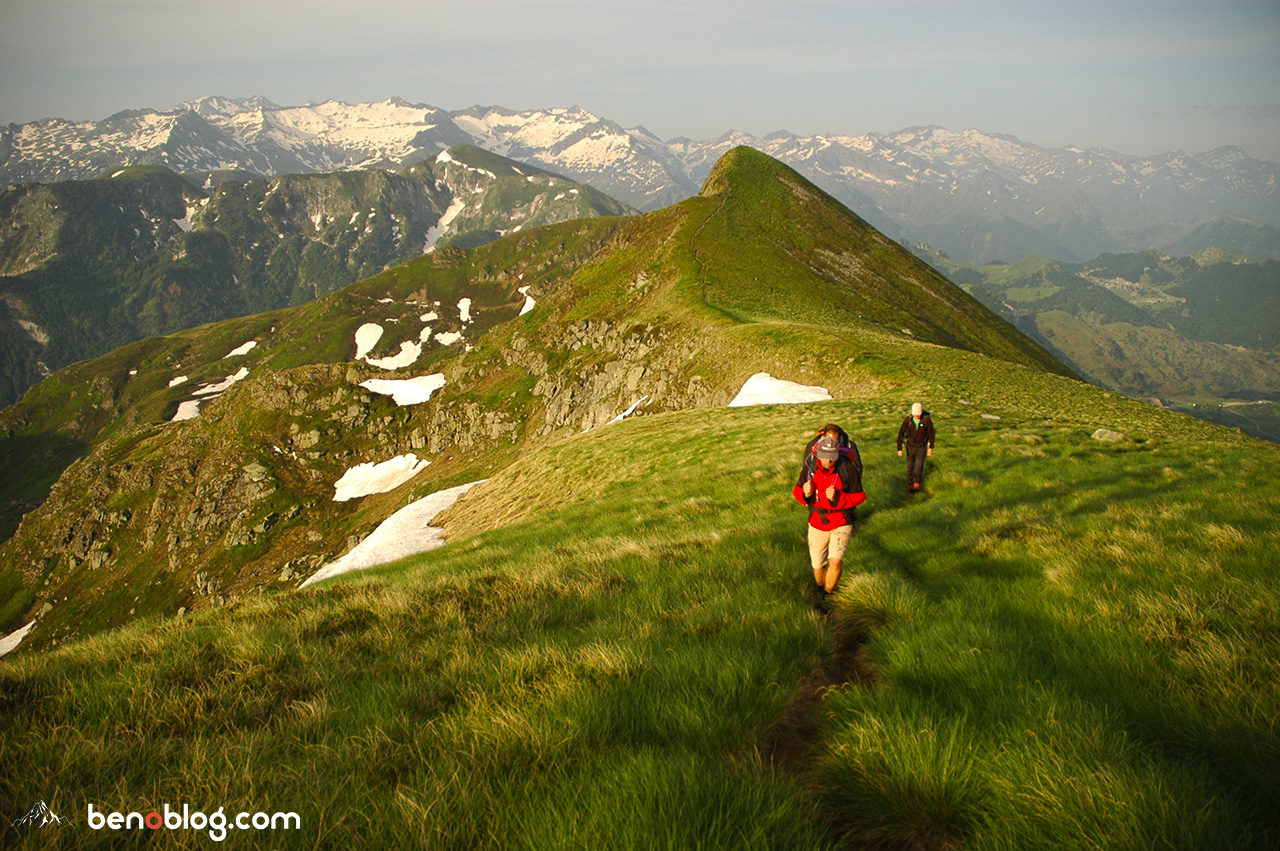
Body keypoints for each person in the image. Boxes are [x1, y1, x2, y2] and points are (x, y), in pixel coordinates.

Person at [793, 432, 865, 596]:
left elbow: (860, 496)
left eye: (831, 457)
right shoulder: (809, 469)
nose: (828, 461)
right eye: (825, 457)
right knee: (818, 565)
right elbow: (797, 494)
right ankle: (821, 588)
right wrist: (806, 493)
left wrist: (839, 497)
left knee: (835, 561)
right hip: (817, 523)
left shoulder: (847, 469)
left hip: (841, 521)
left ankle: (827, 595)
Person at [897, 402, 935, 492]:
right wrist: (899, 448)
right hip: (910, 446)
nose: (917, 416)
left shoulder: (927, 420)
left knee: (919, 466)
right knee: (910, 465)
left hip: (922, 446)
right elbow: (901, 434)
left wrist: (931, 447)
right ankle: (910, 484)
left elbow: (931, 433)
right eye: (915, 414)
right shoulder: (908, 420)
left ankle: (917, 483)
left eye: (918, 414)